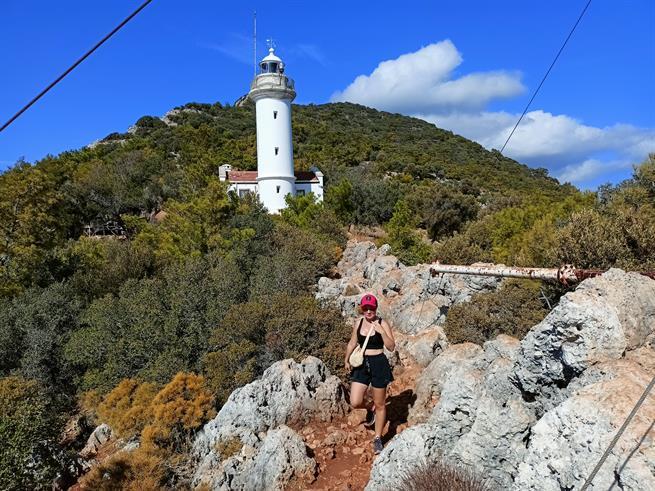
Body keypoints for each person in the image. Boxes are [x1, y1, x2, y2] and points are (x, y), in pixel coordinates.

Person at [344, 293, 395, 455]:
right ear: (362, 308)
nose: (368, 311)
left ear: (375, 308)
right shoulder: (358, 323)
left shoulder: (382, 323)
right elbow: (353, 342)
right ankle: (370, 407)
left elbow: (391, 346)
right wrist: (346, 359)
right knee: (355, 400)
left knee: (381, 404)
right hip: (361, 364)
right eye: (365, 308)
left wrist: (382, 332)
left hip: (378, 363)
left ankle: (378, 438)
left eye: (371, 308)